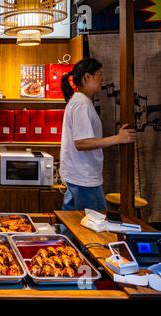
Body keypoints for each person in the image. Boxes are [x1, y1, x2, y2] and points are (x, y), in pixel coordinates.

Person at [60, 58, 137, 211]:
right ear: (87, 77)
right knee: (96, 226)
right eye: (99, 74)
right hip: (84, 177)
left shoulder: (79, 101)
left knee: (71, 225)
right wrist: (118, 138)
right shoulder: (81, 103)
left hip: (78, 175)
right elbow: (81, 143)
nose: (103, 79)